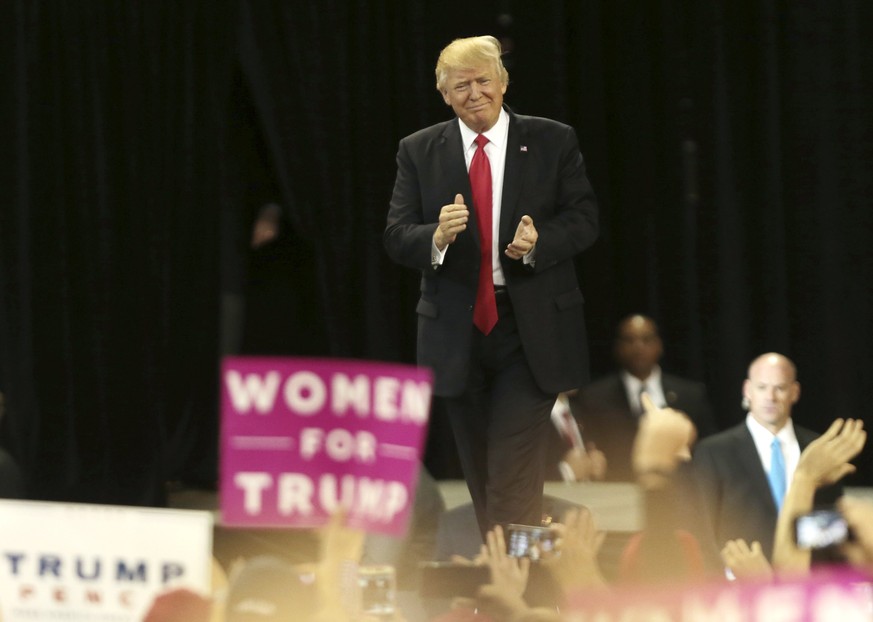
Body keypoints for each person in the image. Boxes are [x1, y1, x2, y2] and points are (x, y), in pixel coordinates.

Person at [384, 35, 598, 538]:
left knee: (511, 468)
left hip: (530, 332)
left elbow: (584, 219)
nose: (474, 92)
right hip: (458, 334)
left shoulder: (551, 140)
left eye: (484, 80)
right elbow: (396, 235)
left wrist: (539, 241)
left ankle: (517, 594)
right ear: (444, 94)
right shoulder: (418, 151)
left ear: (503, 83)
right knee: (481, 472)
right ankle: (510, 581)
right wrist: (434, 236)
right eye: (461, 85)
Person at [690, 352, 844, 566]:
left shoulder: (818, 448)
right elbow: (701, 530)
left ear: (795, 392)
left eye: (779, 388)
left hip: (809, 585)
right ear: (747, 390)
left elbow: (831, 528)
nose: (770, 397)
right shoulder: (714, 452)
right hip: (738, 589)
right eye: (762, 387)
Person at [569, 314, 717, 481]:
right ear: (617, 347)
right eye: (629, 340)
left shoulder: (690, 394)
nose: (638, 347)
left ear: (659, 345)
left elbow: (707, 448)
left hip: (679, 490)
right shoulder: (593, 397)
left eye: (646, 340)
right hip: (617, 491)